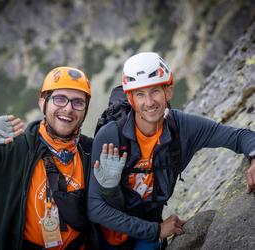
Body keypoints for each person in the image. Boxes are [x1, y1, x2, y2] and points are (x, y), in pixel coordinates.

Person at [87, 52, 255, 249]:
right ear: (130, 99)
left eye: (155, 91)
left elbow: (239, 136)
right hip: (108, 234)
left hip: (147, 231)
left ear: (168, 91)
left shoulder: (182, 127)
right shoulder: (111, 136)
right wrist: (157, 231)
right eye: (140, 94)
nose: (149, 102)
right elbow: (95, 208)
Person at [0, 66, 96, 249]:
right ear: (42, 102)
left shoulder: (91, 152)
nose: (68, 108)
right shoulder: (11, 150)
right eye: (60, 99)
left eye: (78, 102)